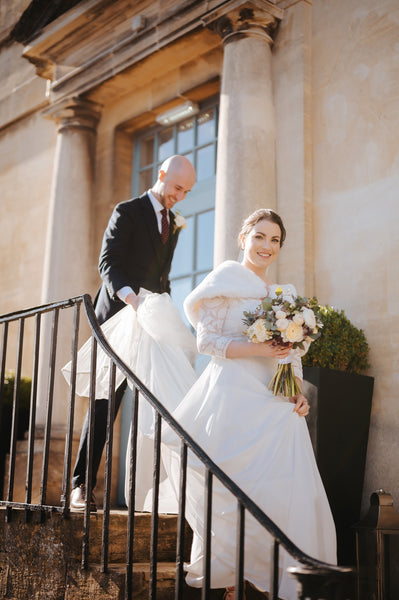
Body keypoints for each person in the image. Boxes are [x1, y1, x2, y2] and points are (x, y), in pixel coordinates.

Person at [160, 208, 337, 600]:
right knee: (233, 486)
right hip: (233, 397)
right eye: (259, 236)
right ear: (243, 238)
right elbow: (207, 342)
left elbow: (290, 354)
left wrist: (297, 394)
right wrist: (260, 346)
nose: (266, 246)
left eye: (274, 240)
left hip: (275, 402)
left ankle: (278, 581)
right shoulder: (223, 280)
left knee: (284, 492)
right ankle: (233, 579)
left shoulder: (283, 296)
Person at [69, 154, 196, 511]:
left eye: (186, 191)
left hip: (153, 322)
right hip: (119, 320)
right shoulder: (127, 210)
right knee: (104, 405)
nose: (179, 197)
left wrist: (168, 310)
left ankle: (163, 494)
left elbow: (162, 276)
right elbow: (107, 263)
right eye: (176, 188)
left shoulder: (176, 224)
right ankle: (80, 486)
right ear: (160, 175)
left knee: (164, 400)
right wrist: (133, 300)